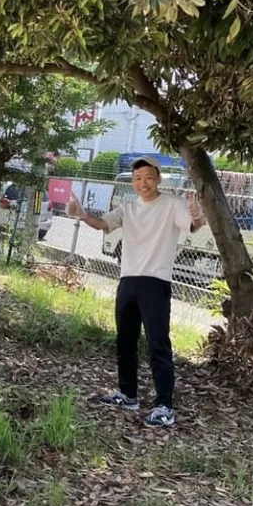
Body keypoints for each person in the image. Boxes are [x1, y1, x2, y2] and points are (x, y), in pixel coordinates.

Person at [66, 156, 205, 427]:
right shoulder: (127, 208)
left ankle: (164, 405)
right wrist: (81, 214)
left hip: (155, 282)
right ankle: (128, 394)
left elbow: (193, 223)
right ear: (133, 182)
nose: (143, 183)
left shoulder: (172, 204)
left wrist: (198, 216)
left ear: (158, 179)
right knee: (125, 342)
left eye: (149, 177)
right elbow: (102, 224)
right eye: (138, 178)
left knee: (158, 344)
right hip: (127, 281)